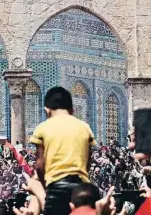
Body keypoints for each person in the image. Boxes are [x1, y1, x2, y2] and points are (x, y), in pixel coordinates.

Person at [29, 86, 95, 215]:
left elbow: (40, 165)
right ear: (72, 109)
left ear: (46, 110)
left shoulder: (42, 128)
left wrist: (45, 186)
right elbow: (88, 161)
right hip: (82, 189)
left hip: (56, 187)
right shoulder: (84, 127)